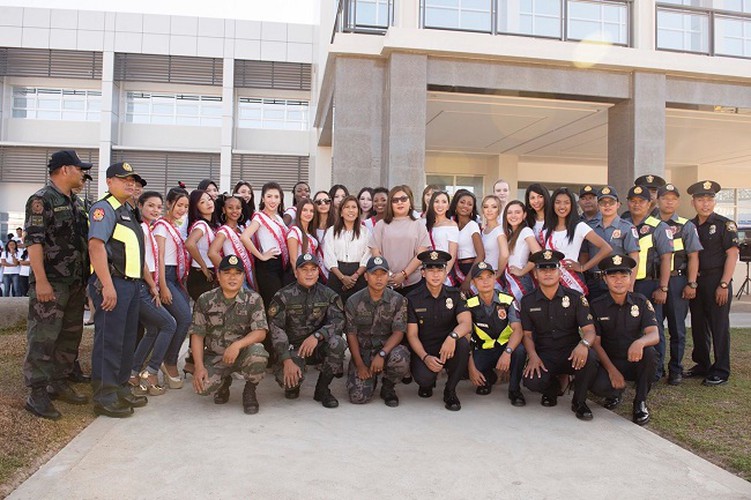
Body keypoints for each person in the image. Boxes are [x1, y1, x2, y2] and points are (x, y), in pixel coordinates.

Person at [22, 149, 91, 420]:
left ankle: (59, 381)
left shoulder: (76, 202)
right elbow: (34, 241)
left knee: (70, 334)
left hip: (75, 281)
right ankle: (36, 393)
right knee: (43, 336)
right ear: (65, 170)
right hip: (51, 282)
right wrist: (41, 281)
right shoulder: (41, 200)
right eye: (79, 169)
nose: (82, 174)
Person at [88, 161, 147, 418]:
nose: (130, 183)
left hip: (131, 285)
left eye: (132, 179)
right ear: (109, 182)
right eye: (124, 179)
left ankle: (120, 387)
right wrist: (108, 285)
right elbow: (96, 246)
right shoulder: (104, 208)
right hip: (113, 283)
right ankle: (105, 395)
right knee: (109, 340)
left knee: (125, 340)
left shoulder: (128, 210)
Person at [521, 250, 599, 421]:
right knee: (531, 381)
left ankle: (579, 402)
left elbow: (589, 330)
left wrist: (584, 344)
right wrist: (533, 356)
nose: (548, 273)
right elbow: (526, 335)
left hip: (571, 353)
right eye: (542, 269)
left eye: (552, 268)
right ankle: (552, 389)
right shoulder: (528, 301)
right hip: (545, 354)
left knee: (591, 358)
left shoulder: (576, 298)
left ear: (559, 271)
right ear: (535, 273)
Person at [190, 255, 270, 414]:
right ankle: (223, 382)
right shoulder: (205, 300)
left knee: (258, 354)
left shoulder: (253, 299)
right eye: (227, 273)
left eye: (237, 273)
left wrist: (237, 345)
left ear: (243, 276)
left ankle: (250, 390)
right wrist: (198, 367)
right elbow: (197, 335)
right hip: (215, 355)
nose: (232, 277)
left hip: (242, 353)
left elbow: (260, 332)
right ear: (218, 276)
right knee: (202, 388)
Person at [267, 252, 346, 408]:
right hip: (293, 349)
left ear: (318, 272)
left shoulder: (328, 295)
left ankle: (322, 389)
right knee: (289, 386)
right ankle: (294, 379)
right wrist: (286, 360)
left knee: (338, 343)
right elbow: (276, 329)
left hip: (317, 345)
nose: (309, 273)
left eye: (313, 269)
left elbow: (338, 321)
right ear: (296, 273)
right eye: (304, 269)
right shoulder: (283, 296)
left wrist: (317, 336)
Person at [589, 254, 659, 426]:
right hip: (608, 360)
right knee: (598, 386)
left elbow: (654, 334)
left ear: (630, 278)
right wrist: (612, 370)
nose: (618, 281)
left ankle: (640, 402)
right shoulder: (597, 305)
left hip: (633, 358)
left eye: (623, 276)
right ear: (605, 279)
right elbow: (595, 343)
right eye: (613, 276)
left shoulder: (641, 302)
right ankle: (614, 394)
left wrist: (640, 342)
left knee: (650, 353)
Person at [685, 180, 739, 386]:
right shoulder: (690, 225)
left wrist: (724, 284)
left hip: (717, 280)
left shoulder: (725, 225)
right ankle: (702, 364)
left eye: (709, 199)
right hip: (696, 282)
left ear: (714, 202)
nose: (705, 204)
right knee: (698, 325)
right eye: (700, 199)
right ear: (693, 202)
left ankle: (721, 369)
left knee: (719, 326)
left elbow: (732, 255)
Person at [406, 250, 472, 411]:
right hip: (424, 350)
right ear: (423, 273)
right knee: (424, 380)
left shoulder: (455, 295)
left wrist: (452, 337)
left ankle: (450, 390)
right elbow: (412, 335)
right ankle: (428, 382)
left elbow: (466, 323)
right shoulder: (413, 298)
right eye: (431, 270)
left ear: (445, 272)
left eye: (440, 270)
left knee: (463, 343)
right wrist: (425, 357)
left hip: (448, 348)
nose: (435, 275)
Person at [623, 185, 673, 382]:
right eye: (633, 201)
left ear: (649, 203)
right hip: (625, 284)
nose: (637, 205)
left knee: (654, 326)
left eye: (641, 201)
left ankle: (656, 369)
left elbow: (666, 259)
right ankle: (634, 366)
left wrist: (663, 287)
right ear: (627, 202)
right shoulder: (623, 224)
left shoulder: (659, 227)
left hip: (649, 285)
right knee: (630, 326)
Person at [345, 256, 410, 406]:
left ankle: (388, 387)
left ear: (388, 276)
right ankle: (365, 376)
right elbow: (351, 334)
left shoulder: (398, 300)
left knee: (401, 358)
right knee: (358, 398)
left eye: (383, 274)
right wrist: (360, 364)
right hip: (363, 352)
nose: (379, 278)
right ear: (366, 276)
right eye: (374, 274)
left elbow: (399, 332)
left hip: (387, 350)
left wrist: (382, 354)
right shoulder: (354, 301)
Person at [129, 191, 176, 397]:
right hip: (141, 286)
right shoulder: (140, 227)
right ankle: (151, 372)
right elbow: (142, 262)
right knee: (169, 324)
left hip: (146, 285)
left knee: (152, 329)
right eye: (150, 206)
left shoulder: (148, 227)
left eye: (158, 207)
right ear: (140, 206)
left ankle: (133, 373)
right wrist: (153, 286)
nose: (155, 210)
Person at [656, 184, 702, 385]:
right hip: (653, 281)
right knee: (655, 327)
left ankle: (675, 369)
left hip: (677, 280)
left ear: (678, 202)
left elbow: (693, 256)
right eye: (665, 198)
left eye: (673, 198)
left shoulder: (686, 226)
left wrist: (692, 283)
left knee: (677, 328)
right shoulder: (647, 224)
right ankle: (656, 368)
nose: (669, 201)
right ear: (657, 200)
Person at [466, 262, 526, 406]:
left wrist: (507, 352)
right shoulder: (469, 304)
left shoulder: (507, 300)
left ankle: (514, 390)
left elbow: (518, 330)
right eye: (480, 278)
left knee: (520, 351)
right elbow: (466, 337)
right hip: (484, 350)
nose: (485, 281)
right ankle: (488, 378)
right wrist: (471, 368)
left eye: (489, 276)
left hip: (506, 348)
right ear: (473, 282)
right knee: (466, 367)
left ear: (494, 279)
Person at [152, 187, 192, 390]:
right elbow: (158, 257)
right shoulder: (161, 227)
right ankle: (168, 362)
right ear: (169, 204)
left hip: (175, 277)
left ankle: (168, 360)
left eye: (185, 206)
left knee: (183, 320)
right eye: (179, 205)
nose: (182, 209)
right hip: (165, 277)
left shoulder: (174, 226)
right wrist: (163, 286)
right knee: (183, 318)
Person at [542, 187, 612, 296]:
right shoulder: (546, 230)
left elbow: (606, 248)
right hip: (551, 281)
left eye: (566, 203)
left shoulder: (579, 226)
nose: (562, 206)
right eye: (558, 202)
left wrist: (583, 267)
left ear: (572, 205)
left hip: (573, 280)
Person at [369, 186, 431, 296]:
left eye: (403, 199)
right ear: (390, 204)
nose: (399, 203)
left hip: (413, 283)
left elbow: (421, 254)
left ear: (410, 202)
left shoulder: (419, 225)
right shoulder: (381, 225)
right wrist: (389, 275)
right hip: (386, 282)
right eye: (395, 200)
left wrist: (403, 274)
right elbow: (375, 253)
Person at [582, 186, 639, 300]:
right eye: (603, 202)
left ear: (618, 204)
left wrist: (630, 284)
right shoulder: (590, 227)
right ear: (598, 206)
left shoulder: (627, 228)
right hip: (594, 281)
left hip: (618, 282)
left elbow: (634, 256)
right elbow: (584, 254)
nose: (607, 206)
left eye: (611, 202)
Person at [241, 182, 288, 308]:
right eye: (269, 196)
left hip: (280, 264)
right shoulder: (259, 217)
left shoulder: (278, 218)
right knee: (274, 303)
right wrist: (261, 256)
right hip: (268, 266)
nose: (273, 200)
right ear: (262, 198)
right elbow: (244, 237)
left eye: (276, 197)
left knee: (282, 302)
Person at [324, 195, 370, 302]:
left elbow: (367, 256)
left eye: (354, 207)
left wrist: (354, 276)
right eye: (347, 207)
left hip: (359, 275)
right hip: (337, 274)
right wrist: (342, 278)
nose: (351, 210)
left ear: (358, 211)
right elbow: (329, 256)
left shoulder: (365, 232)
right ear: (341, 212)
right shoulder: (332, 231)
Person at [208, 195, 254, 289]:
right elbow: (212, 253)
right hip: (235, 277)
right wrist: (228, 270)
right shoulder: (223, 231)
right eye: (230, 208)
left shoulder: (242, 229)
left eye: (238, 208)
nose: (234, 211)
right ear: (224, 210)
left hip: (247, 275)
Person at [502, 200, 541, 304]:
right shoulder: (510, 234)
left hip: (520, 280)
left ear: (524, 215)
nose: (513, 216)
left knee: (519, 313)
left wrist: (522, 271)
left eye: (517, 212)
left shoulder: (526, 231)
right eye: (509, 212)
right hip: (509, 278)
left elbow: (538, 254)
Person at [448, 189, 485, 294]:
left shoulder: (472, 225)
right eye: (462, 202)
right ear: (456, 204)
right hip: (456, 269)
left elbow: (481, 255)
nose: (465, 206)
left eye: (469, 204)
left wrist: (468, 280)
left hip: (470, 268)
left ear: (472, 209)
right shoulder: (452, 225)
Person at [185, 189, 219, 301]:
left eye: (209, 199)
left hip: (208, 272)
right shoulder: (201, 224)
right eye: (202, 202)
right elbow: (190, 244)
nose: (208, 203)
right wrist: (203, 266)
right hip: (201, 275)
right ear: (196, 207)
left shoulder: (211, 225)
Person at [424, 190, 459, 285]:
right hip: (429, 268)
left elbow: (452, 253)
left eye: (444, 202)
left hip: (444, 269)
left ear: (448, 206)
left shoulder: (452, 225)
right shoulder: (426, 223)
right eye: (436, 201)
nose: (440, 205)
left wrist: (445, 273)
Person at [480, 194, 509, 280]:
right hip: (483, 272)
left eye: (494, 207)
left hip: (494, 274)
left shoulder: (500, 230)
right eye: (486, 207)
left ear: (499, 210)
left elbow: (504, 254)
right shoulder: (483, 230)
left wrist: (498, 273)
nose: (489, 210)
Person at [287, 198, 319, 276]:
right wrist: (298, 275)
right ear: (299, 212)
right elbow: (293, 259)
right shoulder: (294, 232)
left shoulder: (311, 232)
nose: (308, 213)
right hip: (298, 275)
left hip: (309, 273)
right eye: (305, 210)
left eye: (311, 211)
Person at [312, 190, 335, 281]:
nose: (323, 204)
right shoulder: (309, 226)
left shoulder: (337, 226)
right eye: (318, 202)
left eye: (326, 201)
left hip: (332, 272)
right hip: (314, 271)